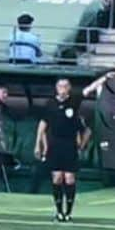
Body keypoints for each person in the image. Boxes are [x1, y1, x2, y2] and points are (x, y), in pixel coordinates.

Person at [35, 78, 90, 222]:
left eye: (65, 86)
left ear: (69, 88)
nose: (63, 88)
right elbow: (43, 125)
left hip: (70, 145)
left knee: (69, 178)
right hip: (55, 145)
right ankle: (59, 212)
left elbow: (88, 90)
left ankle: (69, 213)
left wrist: (81, 145)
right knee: (57, 178)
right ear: (56, 88)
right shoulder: (50, 104)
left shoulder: (74, 102)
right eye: (60, 86)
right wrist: (39, 144)